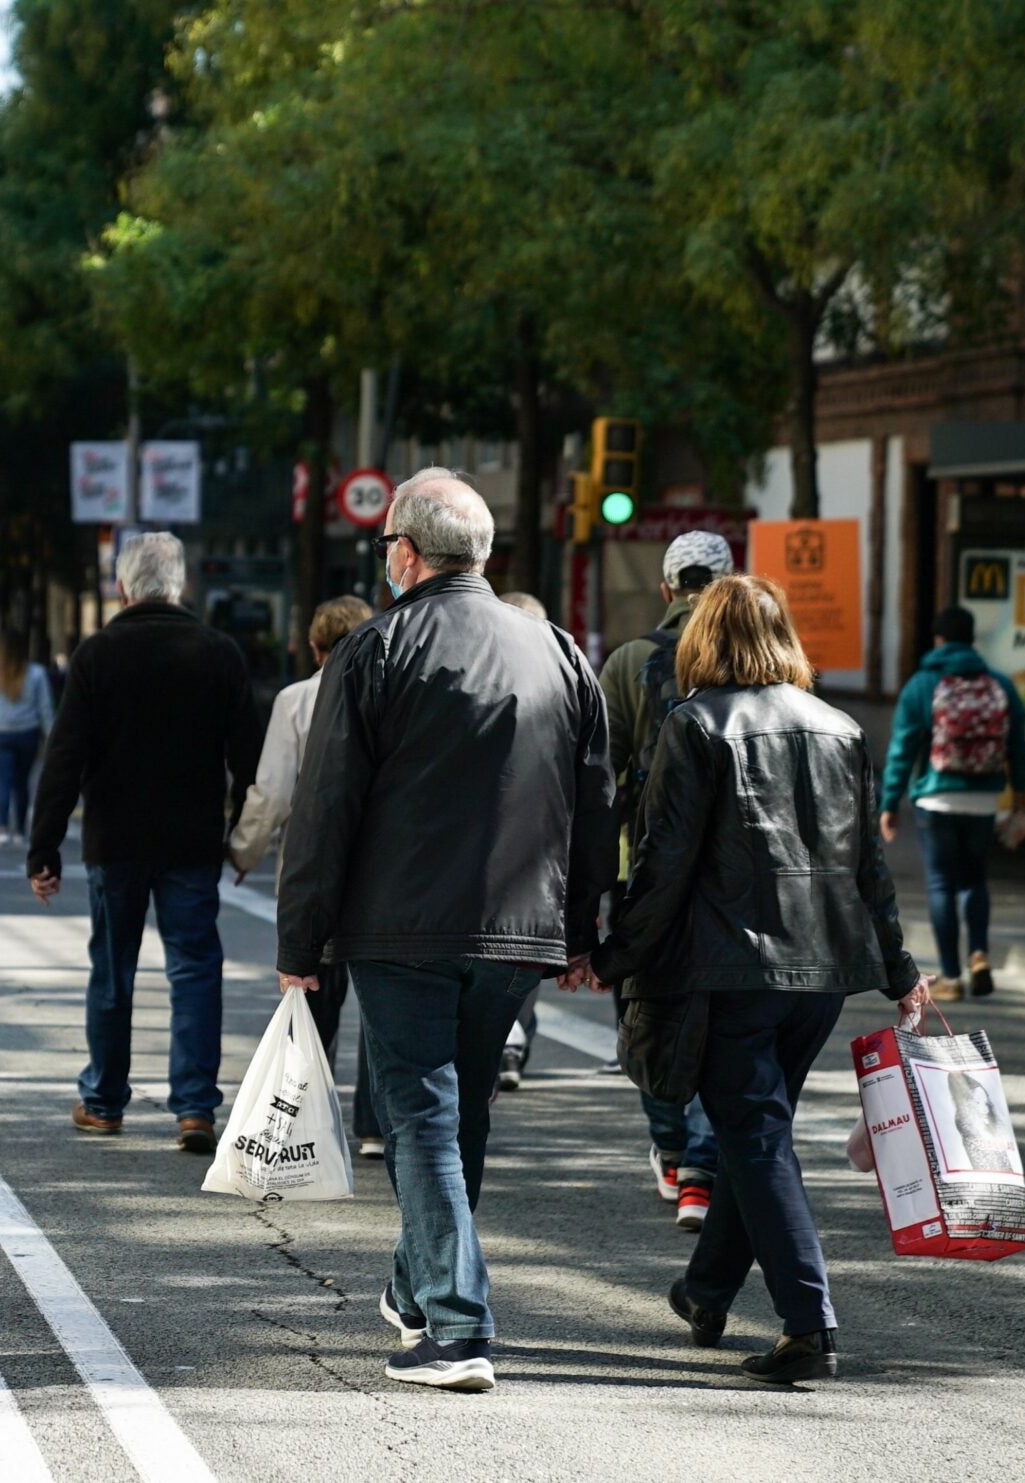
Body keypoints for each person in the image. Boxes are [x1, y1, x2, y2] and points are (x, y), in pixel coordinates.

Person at [274, 470, 616, 1392]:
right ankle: (418, 1287)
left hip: (402, 927)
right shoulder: (558, 648)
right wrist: (585, 931)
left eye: (387, 544)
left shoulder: (376, 649)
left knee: (419, 1111)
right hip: (519, 929)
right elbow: (594, 803)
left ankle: (458, 1327)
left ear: (407, 553)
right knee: (460, 1108)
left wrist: (299, 943)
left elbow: (327, 806)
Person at [588, 574, 932, 1385]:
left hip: (729, 968)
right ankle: (704, 1289)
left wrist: (613, 954)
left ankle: (808, 1323)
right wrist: (901, 970)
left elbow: (664, 863)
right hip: (820, 975)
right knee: (757, 1131)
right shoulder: (840, 727)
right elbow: (868, 867)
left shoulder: (694, 723)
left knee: (757, 1135)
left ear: (705, 638)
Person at [27, 532, 259, 1157]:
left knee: (113, 970)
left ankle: (103, 1102)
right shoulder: (220, 653)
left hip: (117, 840)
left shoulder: (98, 654)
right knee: (195, 969)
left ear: (123, 587)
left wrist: (42, 850)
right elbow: (251, 758)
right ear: (179, 585)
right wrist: (244, 837)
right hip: (191, 841)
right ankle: (194, 1109)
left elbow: (65, 757)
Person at [599, 530, 733, 1228]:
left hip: (641, 866)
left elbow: (598, 774)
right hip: (732, 874)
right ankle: (703, 1166)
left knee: (645, 1012)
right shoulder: (750, 658)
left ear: (665, 588)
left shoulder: (627, 661)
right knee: (724, 1013)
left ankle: (672, 1143)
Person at [227, 595, 383, 1155]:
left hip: (312, 866)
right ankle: (374, 1125)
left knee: (311, 993)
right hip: (379, 866)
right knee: (380, 1001)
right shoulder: (387, 691)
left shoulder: (296, 699)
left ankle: (309, 1123)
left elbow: (270, 793)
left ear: (316, 648)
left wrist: (244, 852)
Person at [880, 604, 1025, 1000]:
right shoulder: (999, 683)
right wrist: (1020, 799)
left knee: (941, 884)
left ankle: (950, 975)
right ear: (971, 639)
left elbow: (902, 748)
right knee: (974, 879)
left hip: (937, 797)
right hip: (984, 797)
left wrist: (890, 802)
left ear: (938, 639)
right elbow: (1019, 745)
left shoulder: (921, 685)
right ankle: (979, 953)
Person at [492, 590, 556, 1097]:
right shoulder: (564, 684)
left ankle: (504, 1044)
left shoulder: (473, 680)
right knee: (521, 968)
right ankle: (510, 1042)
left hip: (486, 865)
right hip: (539, 864)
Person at [0, 629, 56, 848]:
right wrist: (53, 737)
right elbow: (45, 708)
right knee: (22, 783)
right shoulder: (36, 673)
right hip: (27, 732)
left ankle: (2, 829)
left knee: (3, 781)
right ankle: (20, 831)